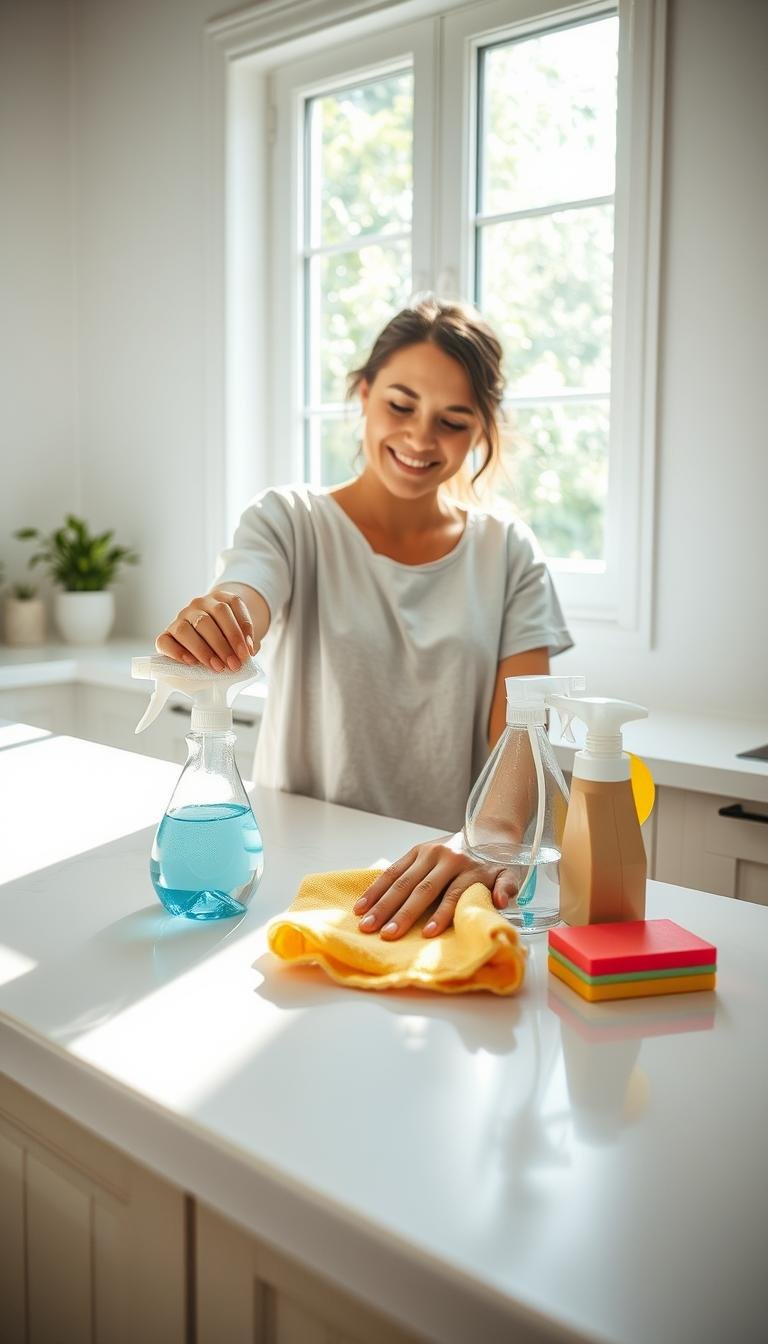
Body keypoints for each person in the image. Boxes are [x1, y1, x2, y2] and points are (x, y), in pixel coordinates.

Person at [155, 296, 572, 939]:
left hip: (442, 875)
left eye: (453, 421)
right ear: (363, 391)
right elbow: (249, 590)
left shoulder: (508, 553)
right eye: (400, 405)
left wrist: (481, 841)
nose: (419, 438)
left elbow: (524, 733)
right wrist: (223, 614)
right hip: (295, 870)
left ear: (481, 431)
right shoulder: (292, 520)